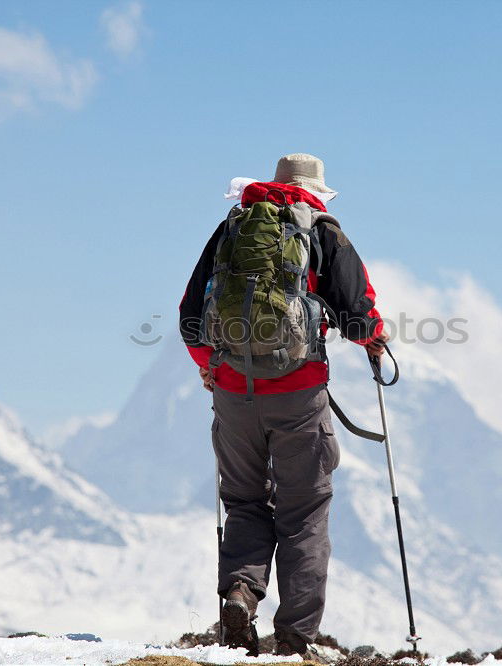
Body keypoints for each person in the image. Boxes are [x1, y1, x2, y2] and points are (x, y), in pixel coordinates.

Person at [178, 153, 388, 656]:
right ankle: (294, 639)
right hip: (297, 392)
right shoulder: (323, 232)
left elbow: (190, 314)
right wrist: (376, 342)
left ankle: (240, 594)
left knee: (246, 502)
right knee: (305, 512)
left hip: (232, 390)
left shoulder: (234, 228)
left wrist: (209, 365)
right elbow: (359, 314)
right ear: (314, 189)